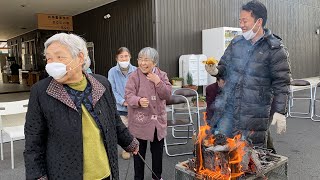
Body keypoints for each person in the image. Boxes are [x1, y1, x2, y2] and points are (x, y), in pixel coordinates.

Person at [24, 33, 139, 180]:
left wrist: (129, 142)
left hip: (103, 170)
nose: (52, 64)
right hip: (64, 172)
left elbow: (114, 120)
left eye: (60, 57)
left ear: (79, 58)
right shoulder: (41, 91)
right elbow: (33, 140)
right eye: (49, 58)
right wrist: (37, 175)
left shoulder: (101, 83)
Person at [205, 0, 291, 149]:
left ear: (259, 22)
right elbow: (225, 66)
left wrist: (280, 111)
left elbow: (282, 83)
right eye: (240, 21)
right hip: (230, 107)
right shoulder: (237, 43)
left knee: (249, 154)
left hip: (255, 112)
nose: (241, 25)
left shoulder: (274, 49)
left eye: (245, 21)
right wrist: (216, 71)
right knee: (224, 150)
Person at [125, 47, 172, 180]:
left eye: (146, 60)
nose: (142, 63)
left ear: (154, 62)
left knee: (158, 153)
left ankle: (157, 177)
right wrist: (138, 101)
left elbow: (167, 95)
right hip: (140, 123)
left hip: (158, 123)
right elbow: (128, 96)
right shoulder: (134, 76)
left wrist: (158, 81)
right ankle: (138, 178)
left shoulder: (162, 75)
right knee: (139, 154)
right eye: (140, 59)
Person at [108, 47, 137, 160]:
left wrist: (134, 100)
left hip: (134, 106)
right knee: (123, 129)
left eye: (126, 56)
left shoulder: (136, 70)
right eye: (121, 56)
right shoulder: (112, 71)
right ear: (117, 58)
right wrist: (122, 101)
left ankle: (134, 147)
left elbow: (140, 88)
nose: (124, 58)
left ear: (130, 57)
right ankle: (126, 149)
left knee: (134, 128)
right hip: (120, 107)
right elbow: (112, 90)